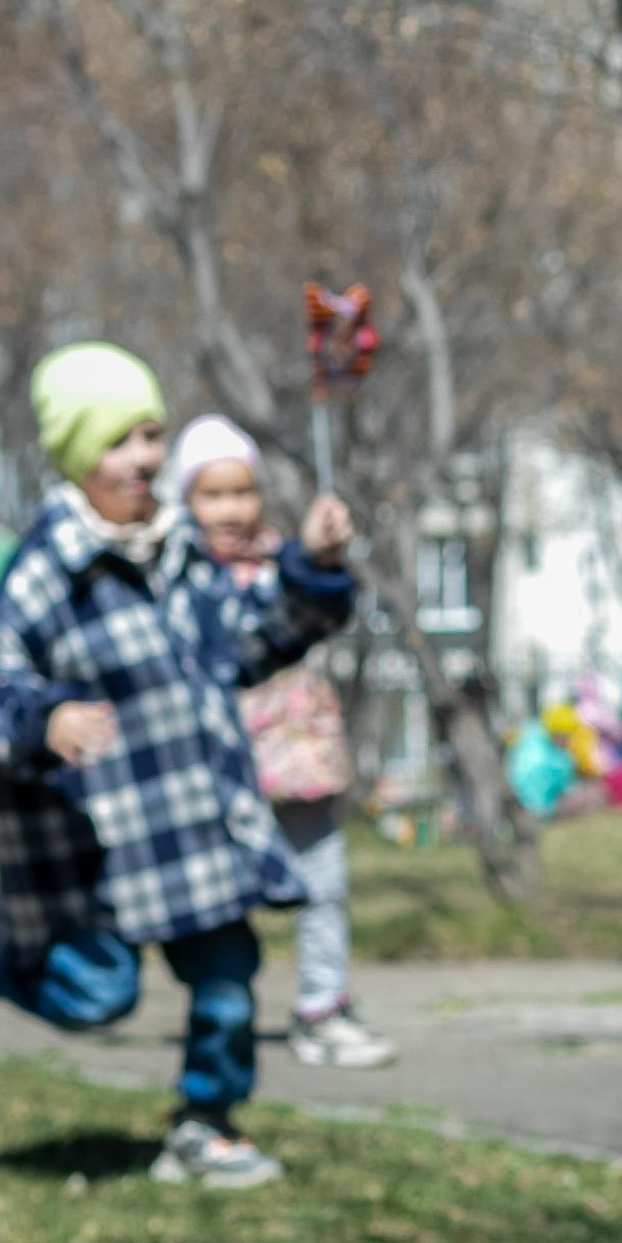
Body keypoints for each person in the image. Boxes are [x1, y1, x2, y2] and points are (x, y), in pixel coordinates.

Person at [0, 344, 358, 1188]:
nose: (145, 457)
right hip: (103, 838)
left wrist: (313, 568)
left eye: (152, 435)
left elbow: (251, 639)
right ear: (78, 455)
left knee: (228, 978)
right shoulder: (50, 568)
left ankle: (205, 1125)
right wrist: (47, 717)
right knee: (98, 996)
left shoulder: (180, 550)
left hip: (196, 822)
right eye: (119, 440)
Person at [172, 415, 396, 1066]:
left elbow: (315, 609)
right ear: (184, 501)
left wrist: (319, 559)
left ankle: (322, 1005)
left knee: (323, 881)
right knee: (213, 900)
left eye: (243, 491)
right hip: (217, 765)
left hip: (297, 756)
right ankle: (220, 1016)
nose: (231, 509)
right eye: (212, 494)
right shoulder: (176, 576)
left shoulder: (281, 562)